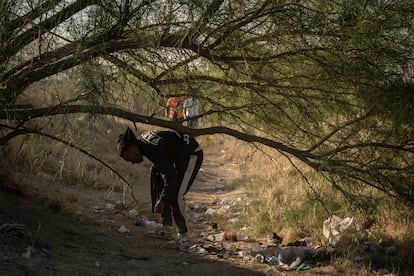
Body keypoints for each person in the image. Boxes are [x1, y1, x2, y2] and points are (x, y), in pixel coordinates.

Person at [117, 127, 203, 251]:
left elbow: (171, 176)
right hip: (180, 156)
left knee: (175, 194)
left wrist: (162, 200)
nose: (132, 162)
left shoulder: (152, 149)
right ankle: (167, 228)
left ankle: (184, 236)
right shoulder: (143, 143)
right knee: (156, 172)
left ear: (132, 148)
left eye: (128, 158)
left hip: (191, 154)